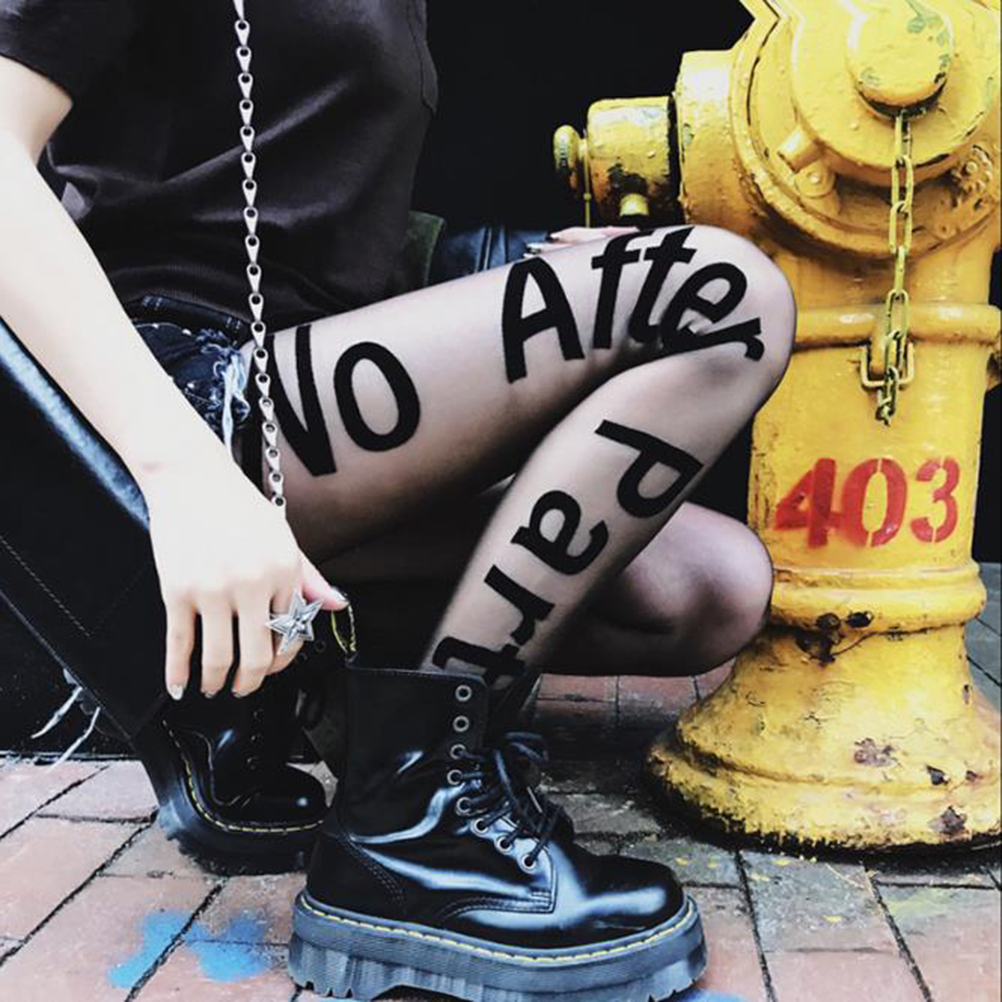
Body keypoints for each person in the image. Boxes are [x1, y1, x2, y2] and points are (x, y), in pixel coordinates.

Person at [0, 2, 796, 999]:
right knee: (722, 296)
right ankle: (418, 818)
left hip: (304, 390)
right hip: (174, 397)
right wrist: (185, 478)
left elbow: (311, 233)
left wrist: (519, 269)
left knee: (708, 586)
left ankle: (325, 700)